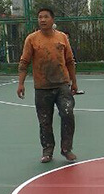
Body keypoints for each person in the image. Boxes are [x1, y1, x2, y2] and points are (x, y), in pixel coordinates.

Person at [17, 8, 78, 164]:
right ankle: (47, 150)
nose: (42, 20)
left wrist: (74, 82)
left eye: (46, 17)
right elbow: (24, 62)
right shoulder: (32, 39)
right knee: (44, 121)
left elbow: (70, 61)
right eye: (40, 17)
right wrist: (21, 83)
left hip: (62, 85)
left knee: (67, 114)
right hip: (42, 87)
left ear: (52, 19)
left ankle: (66, 149)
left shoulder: (62, 37)